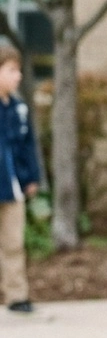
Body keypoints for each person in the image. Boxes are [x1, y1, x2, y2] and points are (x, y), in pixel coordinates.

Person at [0, 44, 41, 315]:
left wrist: (31, 177)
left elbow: (26, 146)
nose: (18, 76)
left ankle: (16, 295)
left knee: (14, 242)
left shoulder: (19, 108)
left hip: (12, 187)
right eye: (12, 70)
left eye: (19, 70)